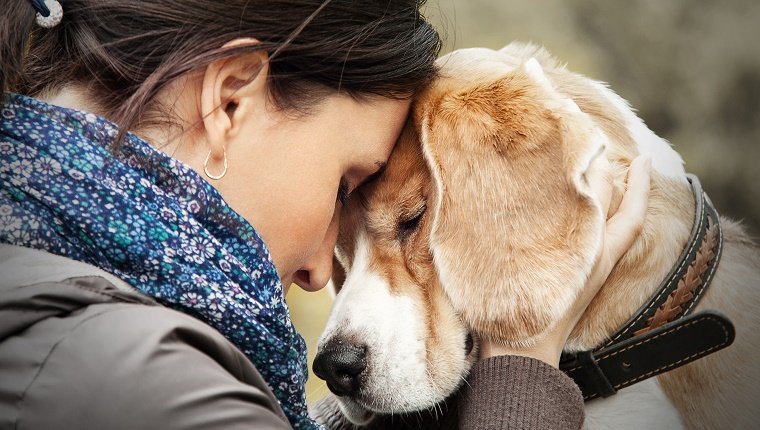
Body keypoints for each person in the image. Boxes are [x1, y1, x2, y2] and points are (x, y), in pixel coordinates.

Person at [0, 0, 650, 429]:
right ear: (228, 103)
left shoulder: (43, 283)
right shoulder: (136, 380)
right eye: (346, 184)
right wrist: (523, 364)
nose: (318, 273)